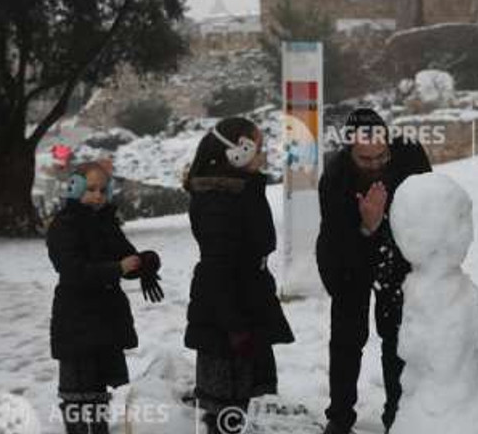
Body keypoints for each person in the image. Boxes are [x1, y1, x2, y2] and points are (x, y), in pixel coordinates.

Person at [316, 108, 432, 434]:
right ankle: (339, 417)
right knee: (347, 339)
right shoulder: (335, 176)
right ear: (350, 150)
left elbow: (430, 204)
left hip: (398, 253)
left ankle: (396, 415)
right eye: (365, 159)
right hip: (346, 259)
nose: (376, 163)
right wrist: (368, 226)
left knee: (396, 336)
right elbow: (338, 240)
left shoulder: (408, 154)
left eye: (382, 156)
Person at [184, 117, 295, 434]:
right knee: (226, 409)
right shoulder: (219, 200)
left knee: (243, 403)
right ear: (237, 152)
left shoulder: (243, 190)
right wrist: (234, 326)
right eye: (258, 147)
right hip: (227, 316)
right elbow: (217, 269)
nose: (263, 154)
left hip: (246, 303)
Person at [47, 160, 164, 434]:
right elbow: (73, 270)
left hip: (105, 319)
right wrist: (117, 268)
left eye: (102, 189)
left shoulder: (107, 222)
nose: (97, 195)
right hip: (76, 319)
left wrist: (145, 263)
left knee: (98, 393)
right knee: (78, 393)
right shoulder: (64, 225)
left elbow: (125, 260)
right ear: (75, 189)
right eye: (90, 189)